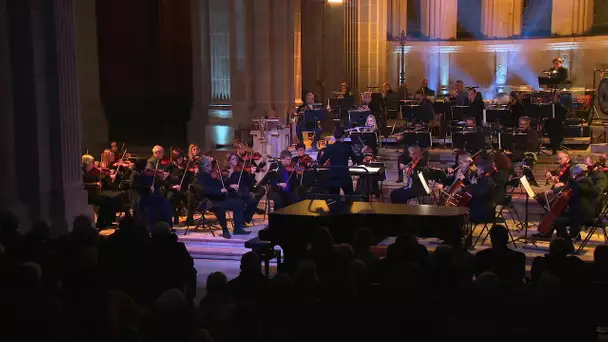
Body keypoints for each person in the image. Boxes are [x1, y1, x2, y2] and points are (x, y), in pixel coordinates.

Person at [533, 164, 597, 242]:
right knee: (555, 214)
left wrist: (572, 180)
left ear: (580, 173)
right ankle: (549, 234)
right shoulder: (579, 181)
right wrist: (553, 191)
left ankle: (565, 239)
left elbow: (575, 187)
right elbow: (566, 187)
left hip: (583, 214)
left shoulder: (586, 182)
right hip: (576, 212)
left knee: (557, 220)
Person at [196, 156, 250, 238]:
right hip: (209, 201)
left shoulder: (210, 175)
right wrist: (219, 191)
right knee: (219, 207)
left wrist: (229, 187)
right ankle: (225, 229)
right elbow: (204, 191)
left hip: (218, 198)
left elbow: (220, 185)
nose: (212, 166)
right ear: (205, 167)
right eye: (210, 165)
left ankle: (238, 229)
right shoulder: (200, 177)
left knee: (239, 203)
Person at [318, 130, 364, 195]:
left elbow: (321, 161)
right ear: (343, 137)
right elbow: (356, 160)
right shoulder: (347, 147)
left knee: (334, 198)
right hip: (344, 174)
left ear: (334, 137)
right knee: (349, 196)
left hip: (333, 175)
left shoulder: (329, 147)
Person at [224, 153, 263, 225]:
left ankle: (244, 219)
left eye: (236, 159)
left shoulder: (240, 170)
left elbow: (249, 180)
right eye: (233, 159)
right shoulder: (225, 171)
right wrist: (230, 181)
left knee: (253, 201)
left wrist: (252, 173)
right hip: (230, 193)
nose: (235, 160)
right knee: (241, 202)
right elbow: (223, 185)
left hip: (241, 192)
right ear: (229, 161)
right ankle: (240, 221)